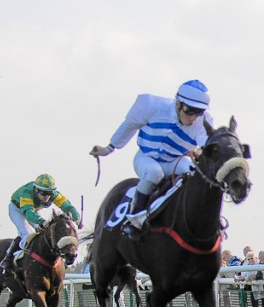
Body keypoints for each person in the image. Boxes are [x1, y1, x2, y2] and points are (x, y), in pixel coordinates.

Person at [89, 79, 213, 236]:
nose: (193, 118)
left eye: (199, 112)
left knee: (192, 172)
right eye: (189, 111)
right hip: (146, 158)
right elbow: (129, 126)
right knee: (154, 173)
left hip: (175, 160)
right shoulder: (151, 106)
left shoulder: (204, 122)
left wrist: (200, 152)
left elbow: (206, 147)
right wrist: (109, 148)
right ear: (178, 104)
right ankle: (134, 219)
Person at [0, 174, 81, 274]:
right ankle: (7, 259)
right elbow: (28, 212)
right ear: (36, 190)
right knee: (27, 233)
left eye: (49, 193)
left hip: (34, 210)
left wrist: (76, 217)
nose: (47, 197)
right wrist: (41, 221)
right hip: (18, 209)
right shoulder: (27, 193)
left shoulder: (54, 194)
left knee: (44, 233)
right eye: (44, 193)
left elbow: (67, 206)